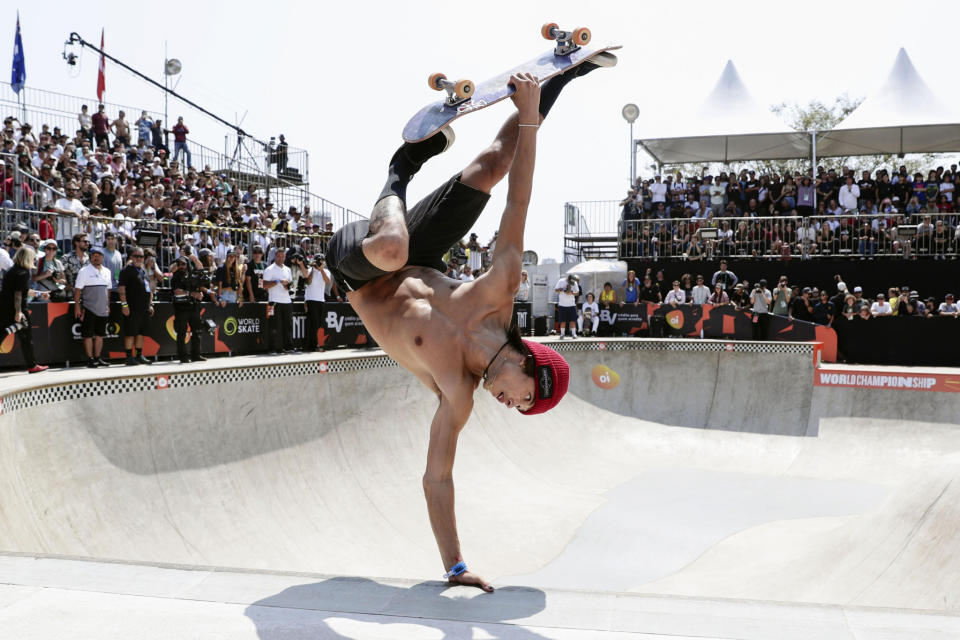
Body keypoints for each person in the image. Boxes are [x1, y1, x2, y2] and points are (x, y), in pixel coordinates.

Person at [324, 66, 612, 590]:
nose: (512, 407)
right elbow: (517, 203)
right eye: (524, 400)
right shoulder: (497, 292)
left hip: (359, 267)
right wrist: (528, 119)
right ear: (529, 365)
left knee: (391, 249)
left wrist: (455, 567)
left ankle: (400, 168)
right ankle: (567, 74)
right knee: (493, 163)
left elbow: (437, 477)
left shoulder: (457, 393)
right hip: (415, 253)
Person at [0, 247, 48, 373]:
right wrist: (18, 312)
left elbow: (23, 290)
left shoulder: (12, 270)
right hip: (16, 308)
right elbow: (18, 294)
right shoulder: (23, 272)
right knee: (25, 338)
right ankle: (32, 365)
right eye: (33, 257)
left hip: (5, 307)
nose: (35, 259)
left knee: (8, 334)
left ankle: (32, 365)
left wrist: (39, 294)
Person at [73, 246, 112, 368]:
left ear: (102, 257)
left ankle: (97, 358)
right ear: (90, 257)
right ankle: (90, 359)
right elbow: (78, 290)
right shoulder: (84, 271)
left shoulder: (107, 271)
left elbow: (108, 290)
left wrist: (108, 305)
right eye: (94, 255)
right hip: (89, 308)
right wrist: (77, 307)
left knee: (100, 335)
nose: (96, 257)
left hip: (103, 309)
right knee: (88, 335)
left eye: (99, 255)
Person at [117, 247, 154, 366]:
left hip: (144, 308)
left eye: (141, 256)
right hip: (131, 308)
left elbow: (149, 290)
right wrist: (124, 305)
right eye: (136, 256)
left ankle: (139, 355)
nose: (139, 258)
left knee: (141, 333)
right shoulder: (126, 270)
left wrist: (151, 304)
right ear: (131, 257)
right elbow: (121, 289)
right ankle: (129, 357)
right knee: (130, 333)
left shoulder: (143, 271)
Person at [170, 256, 210, 363]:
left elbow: (200, 286)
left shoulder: (193, 275)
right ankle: (183, 356)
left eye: (183, 264)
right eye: (179, 264)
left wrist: (200, 293)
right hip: (181, 308)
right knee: (182, 333)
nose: (181, 266)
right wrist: (192, 293)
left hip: (194, 307)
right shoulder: (176, 276)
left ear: (187, 264)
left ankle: (196, 355)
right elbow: (177, 291)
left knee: (197, 331)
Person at [263, 246, 294, 353]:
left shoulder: (288, 269)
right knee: (274, 325)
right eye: (279, 256)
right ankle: (273, 348)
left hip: (287, 301)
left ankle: (288, 347)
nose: (281, 258)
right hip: (273, 301)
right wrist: (277, 281)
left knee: (288, 326)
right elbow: (264, 285)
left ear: (285, 257)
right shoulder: (269, 269)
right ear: (275, 256)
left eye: (283, 256)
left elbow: (290, 286)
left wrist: (287, 285)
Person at [302, 254, 331, 351]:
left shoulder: (326, 271)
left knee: (319, 324)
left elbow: (327, 281)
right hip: (311, 299)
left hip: (321, 300)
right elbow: (308, 280)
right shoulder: (310, 270)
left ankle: (317, 344)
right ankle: (311, 345)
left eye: (321, 260)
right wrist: (314, 269)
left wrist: (321, 269)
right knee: (312, 324)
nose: (319, 262)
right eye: (318, 261)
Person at [554, 273, 580, 338]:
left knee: (573, 320)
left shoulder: (574, 282)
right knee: (563, 320)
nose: (572, 283)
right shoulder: (561, 281)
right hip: (562, 304)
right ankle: (562, 334)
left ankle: (574, 334)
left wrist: (571, 293)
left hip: (571, 304)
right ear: (568, 279)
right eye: (570, 282)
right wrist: (563, 290)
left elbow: (577, 293)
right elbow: (556, 290)